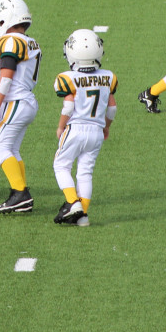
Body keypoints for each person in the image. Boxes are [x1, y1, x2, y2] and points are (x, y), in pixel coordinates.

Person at [0, 0, 41, 214]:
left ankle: (20, 193)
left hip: (13, 101)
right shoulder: (28, 41)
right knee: (12, 149)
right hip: (25, 100)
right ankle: (19, 193)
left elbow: (6, 75)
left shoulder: (10, 41)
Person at [51, 29, 116, 227]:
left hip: (75, 128)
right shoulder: (108, 77)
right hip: (96, 130)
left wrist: (60, 126)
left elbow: (69, 106)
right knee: (85, 172)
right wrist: (106, 127)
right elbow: (112, 108)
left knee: (61, 165)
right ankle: (83, 216)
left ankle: (73, 202)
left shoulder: (66, 78)